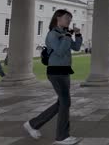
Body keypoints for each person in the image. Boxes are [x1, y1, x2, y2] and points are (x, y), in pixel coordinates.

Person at [24, 9, 82, 145]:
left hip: (65, 71)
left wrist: (77, 35)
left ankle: (33, 124)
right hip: (55, 72)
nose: (69, 21)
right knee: (65, 102)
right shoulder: (52, 34)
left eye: (70, 18)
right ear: (58, 18)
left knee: (61, 103)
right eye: (66, 18)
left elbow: (77, 47)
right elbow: (61, 51)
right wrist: (68, 35)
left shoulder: (63, 34)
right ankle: (61, 137)